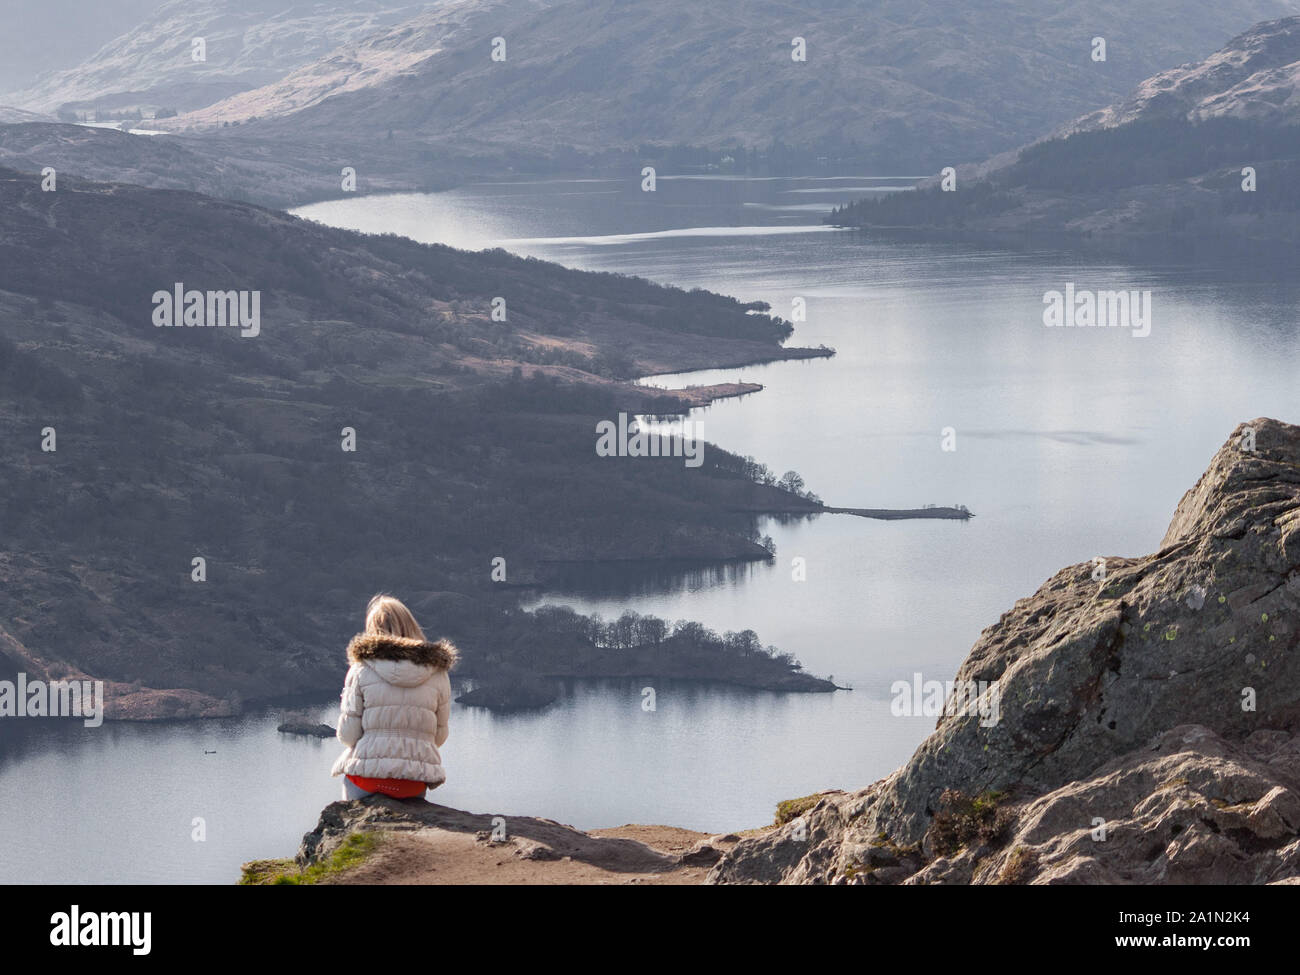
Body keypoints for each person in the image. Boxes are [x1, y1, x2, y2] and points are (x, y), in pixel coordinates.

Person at [330, 594, 457, 800]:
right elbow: (439, 737)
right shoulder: (438, 673)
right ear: (412, 625)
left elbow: (348, 735)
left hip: (367, 779)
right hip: (412, 782)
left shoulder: (360, 670)